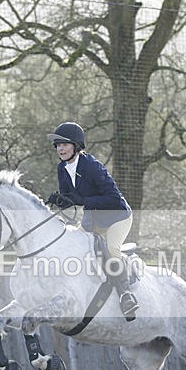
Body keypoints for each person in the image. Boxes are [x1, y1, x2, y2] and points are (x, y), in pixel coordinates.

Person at [45, 121, 139, 319]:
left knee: (112, 249)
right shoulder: (62, 169)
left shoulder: (92, 167)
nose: (60, 148)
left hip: (117, 216)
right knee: (73, 245)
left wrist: (83, 200)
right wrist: (60, 201)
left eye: (64, 144)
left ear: (76, 146)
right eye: (58, 145)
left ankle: (126, 295)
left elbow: (113, 197)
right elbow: (70, 200)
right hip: (93, 219)